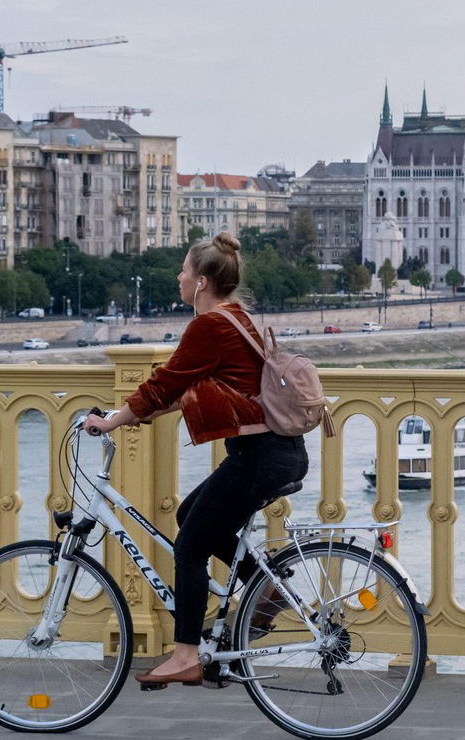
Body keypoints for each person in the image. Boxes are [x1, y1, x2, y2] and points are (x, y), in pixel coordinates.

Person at [83, 231, 308, 687]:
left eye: (184, 270)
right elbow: (191, 389)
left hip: (259, 456)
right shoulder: (236, 318)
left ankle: (186, 654)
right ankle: (264, 590)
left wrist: (110, 421)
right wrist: (129, 417)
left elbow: (164, 383)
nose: (178, 277)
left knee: (189, 546)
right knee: (191, 515)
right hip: (273, 452)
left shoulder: (210, 326)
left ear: (202, 281)